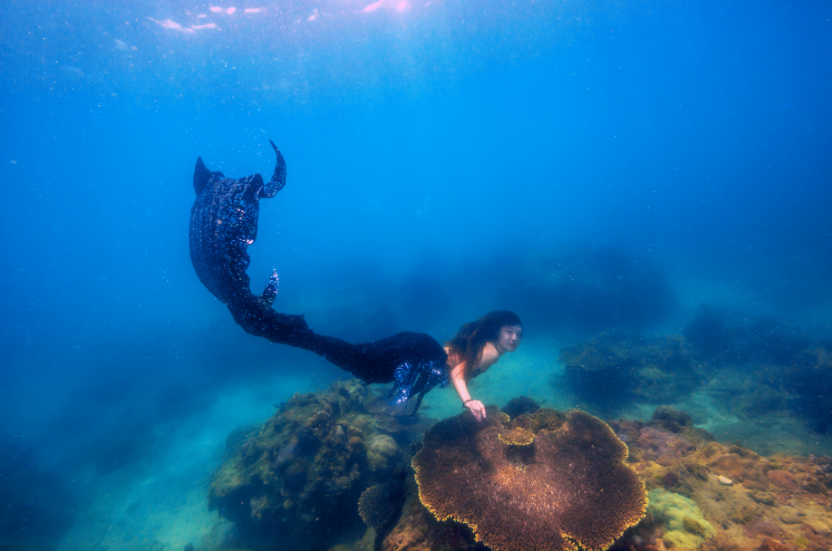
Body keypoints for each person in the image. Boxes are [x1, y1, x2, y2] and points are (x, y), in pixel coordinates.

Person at [445, 311, 523, 422]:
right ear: (497, 332)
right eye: (509, 331)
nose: (515, 338)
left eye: (519, 334)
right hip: (425, 358)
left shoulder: (488, 348)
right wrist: (468, 401)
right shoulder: (491, 353)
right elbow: (457, 372)